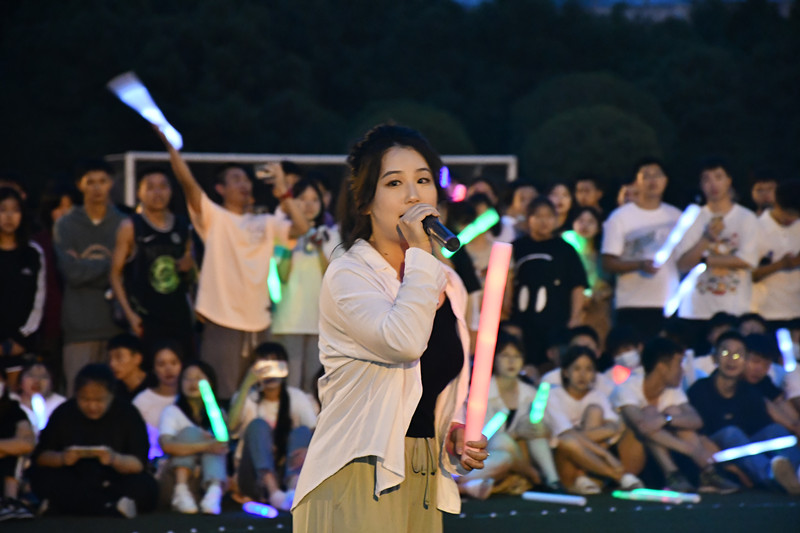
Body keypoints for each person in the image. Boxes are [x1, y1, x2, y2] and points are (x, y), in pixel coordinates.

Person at [291, 124, 487, 533]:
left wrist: (452, 430)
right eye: (394, 183)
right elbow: (404, 342)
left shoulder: (448, 284)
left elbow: (438, 382)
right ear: (365, 202)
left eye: (423, 180)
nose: (413, 195)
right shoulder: (349, 274)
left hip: (423, 471)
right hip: (357, 468)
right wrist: (421, 254)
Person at [155, 128, 310, 399]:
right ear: (220, 189)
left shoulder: (266, 223)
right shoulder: (214, 217)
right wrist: (172, 150)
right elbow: (188, 184)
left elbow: (302, 227)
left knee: (257, 397)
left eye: (246, 179)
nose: (244, 184)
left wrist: (283, 191)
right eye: (235, 179)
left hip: (259, 322)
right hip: (221, 320)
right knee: (222, 395)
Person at [611, 337, 739, 493]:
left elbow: (696, 420)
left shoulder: (671, 390)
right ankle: (674, 473)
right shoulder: (628, 388)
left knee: (674, 413)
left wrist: (666, 419)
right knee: (649, 413)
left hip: (657, 458)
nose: (682, 371)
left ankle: (706, 473)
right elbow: (642, 427)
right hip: (625, 463)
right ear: (662, 367)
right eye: (678, 364)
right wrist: (691, 450)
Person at [30, 363, 156, 517]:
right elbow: (41, 456)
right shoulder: (64, 412)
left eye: (99, 400)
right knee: (43, 477)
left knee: (144, 485)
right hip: (73, 477)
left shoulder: (128, 413)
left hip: (114, 478)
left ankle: (65, 506)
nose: (92, 406)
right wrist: (62, 458)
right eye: (85, 399)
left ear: (111, 395)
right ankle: (109, 507)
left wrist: (114, 459)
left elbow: (138, 463)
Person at [688, 331, 800, 493]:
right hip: (715, 450)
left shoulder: (750, 393)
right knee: (731, 433)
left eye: (738, 355)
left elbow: (761, 429)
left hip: (745, 449)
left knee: (775, 430)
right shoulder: (700, 390)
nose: (731, 359)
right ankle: (771, 474)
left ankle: (795, 475)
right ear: (715, 357)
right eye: (725, 353)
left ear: (745, 359)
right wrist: (734, 469)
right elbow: (699, 437)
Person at [457, 333, 560, 500]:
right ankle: (534, 476)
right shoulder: (480, 392)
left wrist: (540, 429)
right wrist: (516, 433)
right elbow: (482, 436)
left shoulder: (530, 393)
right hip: (488, 454)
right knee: (503, 443)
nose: (512, 362)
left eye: (517, 356)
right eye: (505, 356)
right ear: (494, 359)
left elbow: (550, 433)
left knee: (535, 429)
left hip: (521, 452)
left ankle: (552, 480)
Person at [54, 161, 126, 394]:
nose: (97, 188)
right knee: (79, 396)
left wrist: (85, 266)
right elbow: (71, 273)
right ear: (80, 185)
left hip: (116, 327)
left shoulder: (124, 223)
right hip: (79, 328)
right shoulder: (65, 224)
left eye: (102, 181)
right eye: (90, 182)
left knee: (113, 397)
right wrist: (112, 265)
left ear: (111, 184)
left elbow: (127, 272)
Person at [109, 167, 195, 358]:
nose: (157, 193)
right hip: (146, 318)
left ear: (171, 191)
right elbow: (115, 274)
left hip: (179, 316)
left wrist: (190, 266)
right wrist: (130, 315)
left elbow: (192, 274)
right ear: (139, 192)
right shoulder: (131, 226)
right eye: (150, 187)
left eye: (163, 186)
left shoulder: (183, 226)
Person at [676, 158, 759, 346]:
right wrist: (706, 239)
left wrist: (705, 260)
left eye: (718, 177)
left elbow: (747, 260)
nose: (713, 184)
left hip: (734, 308)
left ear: (729, 180)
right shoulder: (692, 218)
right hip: (696, 310)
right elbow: (683, 264)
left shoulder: (746, 217)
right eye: (706, 179)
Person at [228, 342, 317, 510]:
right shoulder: (247, 397)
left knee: (302, 431)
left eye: (276, 364)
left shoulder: (296, 396)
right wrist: (247, 383)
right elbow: (230, 427)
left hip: (286, 470)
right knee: (258, 425)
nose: (270, 372)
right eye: (263, 366)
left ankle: (293, 489)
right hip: (252, 475)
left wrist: (308, 451)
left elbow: (315, 431)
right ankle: (273, 491)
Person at [271, 179, 340, 393]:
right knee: (289, 385)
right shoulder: (282, 233)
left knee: (314, 385)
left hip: (320, 321)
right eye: (302, 199)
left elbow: (332, 277)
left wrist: (319, 248)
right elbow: (281, 276)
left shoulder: (332, 234)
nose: (309, 205)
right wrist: (290, 244)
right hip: (288, 320)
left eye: (314, 199)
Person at [601, 158, 682, 340]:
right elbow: (608, 262)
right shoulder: (620, 217)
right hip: (632, 303)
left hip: (669, 303)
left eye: (657, 175)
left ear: (666, 180)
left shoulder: (676, 216)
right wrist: (639, 265)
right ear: (636, 182)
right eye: (646, 176)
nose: (653, 181)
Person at [546, 346, 643, 494]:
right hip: (565, 465)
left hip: (591, 464)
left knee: (595, 411)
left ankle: (583, 475)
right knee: (567, 442)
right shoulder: (553, 395)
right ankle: (619, 476)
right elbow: (565, 433)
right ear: (565, 372)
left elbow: (614, 427)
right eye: (577, 369)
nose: (582, 375)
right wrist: (605, 454)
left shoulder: (598, 396)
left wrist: (588, 433)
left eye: (588, 369)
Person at [506, 197, 587, 370]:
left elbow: (577, 285)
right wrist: (505, 313)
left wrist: (575, 318)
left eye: (549, 216)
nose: (544, 221)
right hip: (522, 322)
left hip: (556, 323)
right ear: (529, 219)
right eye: (538, 216)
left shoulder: (565, 249)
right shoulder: (516, 247)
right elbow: (506, 282)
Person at [159, 360, 228, 515]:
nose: (192, 383)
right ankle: (180, 491)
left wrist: (211, 444)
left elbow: (223, 444)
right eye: (187, 378)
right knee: (191, 432)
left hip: (205, 476)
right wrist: (205, 445)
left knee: (217, 444)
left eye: (198, 378)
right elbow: (166, 445)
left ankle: (213, 492)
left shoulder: (216, 412)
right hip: (174, 478)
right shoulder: (172, 411)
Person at [0, 187, 45, 387]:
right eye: (3, 209)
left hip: (22, 346)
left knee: (16, 401)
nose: (9, 216)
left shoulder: (33, 253)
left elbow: (38, 300)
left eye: (15, 210)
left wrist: (21, 339)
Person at [751, 179, 800, 329]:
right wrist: (781, 265)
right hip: (766, 313)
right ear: (776, 203)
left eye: (796, 215)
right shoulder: (755, 228)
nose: (791, 219)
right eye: (788, 214)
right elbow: (748, 275)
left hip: (796, 311)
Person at [132, 340, 182, 462]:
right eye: (161, 364)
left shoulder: (189, 397)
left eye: (174, 363)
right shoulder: (142, 400)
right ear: (154, 369)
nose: (168, 369)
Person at [0, 369, 35, 521]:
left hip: (7, 471)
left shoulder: (13, 410)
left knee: (15, 453)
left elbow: (26, 443)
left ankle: (10, 501)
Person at [10, 361, 66, 437]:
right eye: (31, 375)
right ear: (20, 382)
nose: (37, 380)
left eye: (44, 377)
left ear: (52, 384)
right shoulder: (9, 402)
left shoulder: (61, 404)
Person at [107, 333, 150, 403]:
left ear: (137, 358)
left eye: (119, 357)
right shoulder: (114, 390)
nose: (112, 364)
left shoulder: (156, 386)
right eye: (110, 358)